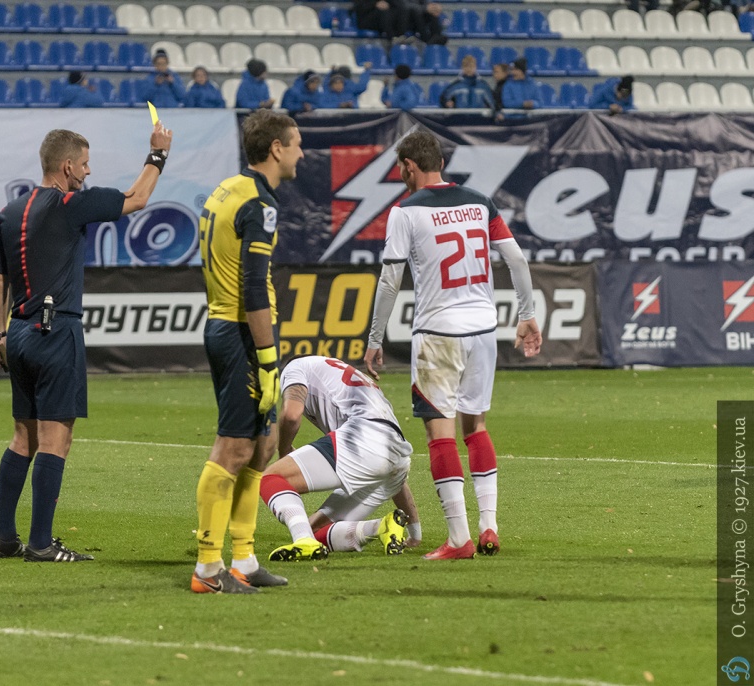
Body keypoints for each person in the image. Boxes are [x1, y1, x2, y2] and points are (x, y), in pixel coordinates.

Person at [0, 123, 173, 562]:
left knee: (23, 437)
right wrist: (158, 155)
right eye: (85, 164)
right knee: (56, 440)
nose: (88, 172)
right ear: (67, 166)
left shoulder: (10, 212)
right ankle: (40, 543)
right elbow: (137, 198)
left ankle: (5, 537)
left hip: (18, 333)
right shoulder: (70, 205)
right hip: (56, 332)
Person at [363, 131, 542, 560]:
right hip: (483, 330)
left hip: (438, 334)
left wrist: (374, 338)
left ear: (409, 166)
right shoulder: (480, 202)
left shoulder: (405, 211)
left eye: (400, 167)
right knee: (476, 427)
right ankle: (489, 525)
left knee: (439, 434)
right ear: (440, 162)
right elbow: (517, 259)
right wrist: (527, 314)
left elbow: (390, 280)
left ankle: (459, 539)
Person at [192, 109, 304, 594]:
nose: (301, 153)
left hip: (228, 327)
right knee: (234, 447)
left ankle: (244, 558)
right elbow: (254, 287)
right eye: (296, 143)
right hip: (241, 333)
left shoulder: (227, 189)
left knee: (262, 443)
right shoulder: (259, 204)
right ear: (276, 148)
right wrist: (268, 359)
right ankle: (207, 569)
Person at [260, 356, 422, 560]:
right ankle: (381, 527)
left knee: (272, 478)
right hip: (396, 456)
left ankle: (303, 541)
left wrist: (284, 450)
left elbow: (291, 415)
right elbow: (392, 469)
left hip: (362, 438)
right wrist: (415, 533)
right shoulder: (340, 373)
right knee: (313, 529)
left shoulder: (296, 366)